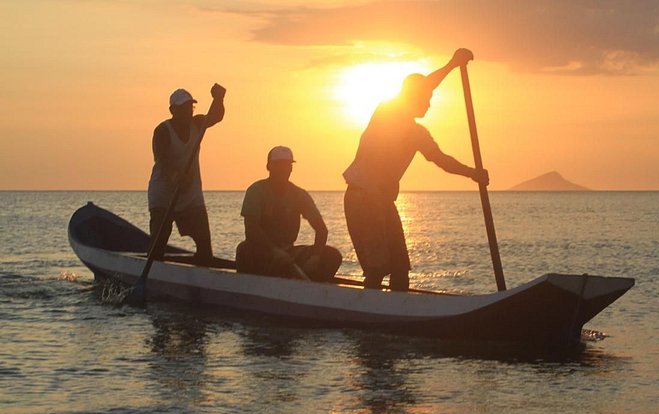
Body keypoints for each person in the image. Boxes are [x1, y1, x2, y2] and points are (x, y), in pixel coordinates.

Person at [343, 48, 489, 291]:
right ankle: (369, 316)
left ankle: (399, 312)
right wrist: (452, 64)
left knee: (400, 266)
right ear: (412, 96)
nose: (430, 103)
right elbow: (424, 85)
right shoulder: (386, 112)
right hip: (362, 198)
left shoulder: (418, 134)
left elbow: (442, 160)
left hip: (382, 201)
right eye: (427, 98)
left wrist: (473, 173)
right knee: (377, 268)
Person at [236, 146, 342, 282]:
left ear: (291, 168)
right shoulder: (256, 191)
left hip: (289, 253)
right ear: (269, 166)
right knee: (244, 250)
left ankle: (306, 289)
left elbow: (321, 230)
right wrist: (274, 250)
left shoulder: (299, 195)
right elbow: (251, 228)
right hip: (262, 251)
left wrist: (315, 256)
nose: (283, 169)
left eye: (287, 165)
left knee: (332, 255)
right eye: (278, 165)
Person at [147, 83, 226, 265]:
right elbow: (162, 159)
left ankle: (203, 277)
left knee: (204, 244)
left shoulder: (198, 124)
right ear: (172, 110)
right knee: (159, 240)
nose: (188, 111)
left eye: (190, 107)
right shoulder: (162, 131)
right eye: (183, 108)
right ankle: (155, 271)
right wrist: (175, 176)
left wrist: (219, 98)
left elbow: (216, 116)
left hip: (190, 194)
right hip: (164, 193)